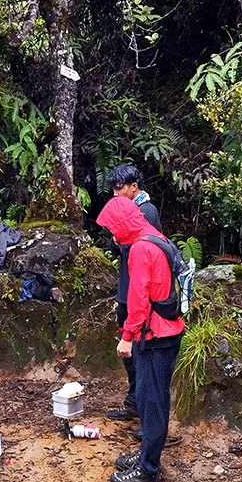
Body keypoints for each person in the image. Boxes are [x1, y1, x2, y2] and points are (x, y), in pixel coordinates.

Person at [96, 195, 185, 482]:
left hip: (156, 335)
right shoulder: (154, 236)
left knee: (152, 401)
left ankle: (148, 470)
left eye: (111, 227)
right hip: (166, 330)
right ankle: (147, 455)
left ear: (122, 224)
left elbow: (138, 299)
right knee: (152, 399)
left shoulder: (140, 249)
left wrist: (127, 337)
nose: (111, 233)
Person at [104, 164, 162, 424]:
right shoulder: (125, 210)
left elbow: (146, 253)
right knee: (130, 357)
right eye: (113, 188)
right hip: (125, 292)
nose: (116, 194)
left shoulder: (147, 212)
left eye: (120, 188)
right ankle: (133, 403)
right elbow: (116, 247)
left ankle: (146, 416)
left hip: (140, 295)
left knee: (142, 356)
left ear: (134, 187)